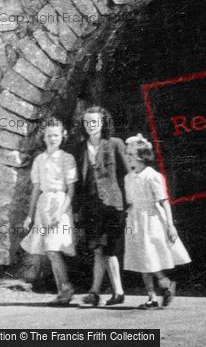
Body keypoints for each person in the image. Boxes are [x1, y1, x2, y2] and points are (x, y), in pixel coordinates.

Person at [124, 133, 191, 310]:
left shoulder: (152, 176)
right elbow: (130, 202)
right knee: (140, 258)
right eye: (127, 154)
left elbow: (163, 201)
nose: (128, 157)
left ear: (140, 157)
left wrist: (170, 225)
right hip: (135, 220)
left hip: (152, 219)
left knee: (149, 255)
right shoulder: (128, 178)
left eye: (130, 154)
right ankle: (151, 296)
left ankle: (165, 282)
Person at [75, 106, 129, 306]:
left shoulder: (115, 144)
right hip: (91, 206)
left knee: (110, 250)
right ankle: (95, 292)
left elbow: (127, 175)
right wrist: (76, 209)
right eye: (87, 122)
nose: (90, 126)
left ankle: (117, 291)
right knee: (97, 248)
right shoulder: (80, 148)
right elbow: (78, 182)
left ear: (103, 123)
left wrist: (129, 203)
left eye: (94, 122)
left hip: (113, 205)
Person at [21, 117, 78, 306]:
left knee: (53, 248)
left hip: (60, 203)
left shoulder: (67, 158)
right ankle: (63, 290)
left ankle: (66, 288)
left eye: (56, 135)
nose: (52, 139)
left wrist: (60, 212)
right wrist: (30, 215)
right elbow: (36, 189)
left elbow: (71, 190)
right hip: (43, 205)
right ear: (43, 138)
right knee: (47, 249)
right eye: (48, 136)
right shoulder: (39, 160)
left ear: (62, 136)